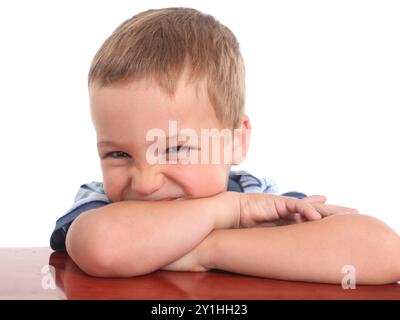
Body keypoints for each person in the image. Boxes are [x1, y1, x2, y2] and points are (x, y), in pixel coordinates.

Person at [50, 7, 400, 284]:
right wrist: (226, 212)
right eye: (118, 154)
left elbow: (384, 252)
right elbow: (102, 248)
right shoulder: (100, 205)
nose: (144, 182)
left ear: (234, 141)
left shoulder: (258, 197)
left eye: (174, 149)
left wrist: (207, 250)